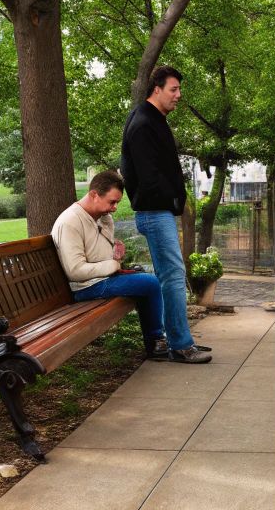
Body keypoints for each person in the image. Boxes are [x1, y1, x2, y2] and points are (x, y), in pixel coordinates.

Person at [51, 171, 197, 362]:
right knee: (151, 283)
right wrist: (113, 264)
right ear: (94, 194)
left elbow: (98, 255)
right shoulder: (70, 222)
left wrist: (115, 253)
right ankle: (155, 341)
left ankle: (156, 340)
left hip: (102, 279)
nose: (114, 208)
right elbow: (75, 271)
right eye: (112, 202)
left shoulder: (102, 218)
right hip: (86, 287)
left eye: (117, 203)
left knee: (145, 280)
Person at [120, 65, 210, 362]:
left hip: (158, 211)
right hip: (154, 212)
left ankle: (161, 339)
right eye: (174, 89)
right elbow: (147, 175)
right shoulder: (144, 122)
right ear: (156, 89)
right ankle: (181, 345)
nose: (178, 95)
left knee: (166, 276)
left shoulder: (151, 118)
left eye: (179, 89)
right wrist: (173, 200)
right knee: (173, 276)